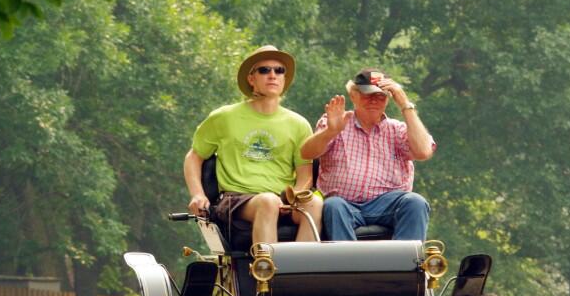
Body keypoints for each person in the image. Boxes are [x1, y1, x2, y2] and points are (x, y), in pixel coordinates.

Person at [183, 45, 323, 246]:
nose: (273, 75)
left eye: (279, 70)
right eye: (264, 70)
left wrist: (293, 199)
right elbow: (194, 157)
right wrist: (197, 194)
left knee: (315, 203)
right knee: (268, 201)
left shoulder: (298, 124)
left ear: (284, 78)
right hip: (237, 200)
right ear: (251, 79)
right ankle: (266, 274)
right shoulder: (224, 117)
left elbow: (305, 175)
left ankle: (300, 274)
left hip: (283, 199)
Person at [300, 68, 435, 241]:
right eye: (367, 94)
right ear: (353, 95)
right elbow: (307, 153)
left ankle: (403, 265)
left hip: (388, 204)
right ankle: (349, 266)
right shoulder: (336, 122)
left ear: (388, 99)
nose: (374, 101)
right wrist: (331, 131)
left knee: (416, 203)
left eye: (381, 96)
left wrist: (405, 104)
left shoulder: (398, 129)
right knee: (333, 206)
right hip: (344, 203)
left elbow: (423, 151)